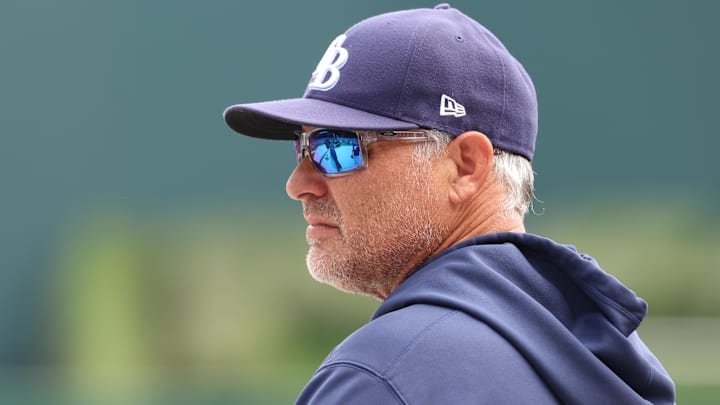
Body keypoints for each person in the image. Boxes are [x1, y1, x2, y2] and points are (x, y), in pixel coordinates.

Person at [223, 4, 676, 404]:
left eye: (337, 148)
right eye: (302, 148)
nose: (299, 183)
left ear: (464, 166)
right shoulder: (599, 355)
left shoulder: (384, 374)